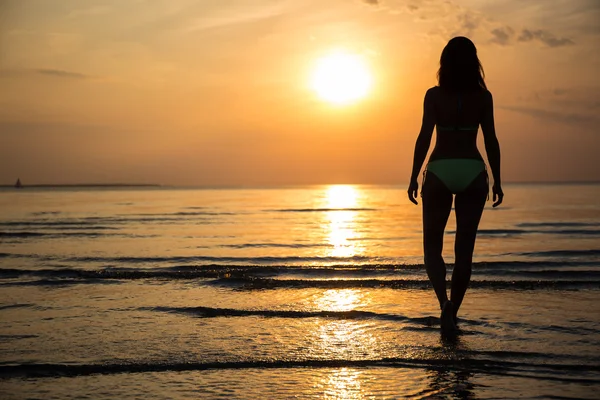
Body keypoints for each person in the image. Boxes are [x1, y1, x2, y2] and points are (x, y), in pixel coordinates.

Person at [407, 36, 503, 334]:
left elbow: (424, 136)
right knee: (464, 252)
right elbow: (490, 140)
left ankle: (443, 304)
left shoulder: (434, 96)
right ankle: (455, 312)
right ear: (474, 62)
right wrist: (498, 180)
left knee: (432, 250)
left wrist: (413, 176)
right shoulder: (483, 97)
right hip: (473, 171)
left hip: (439, 169)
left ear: (444, 63)